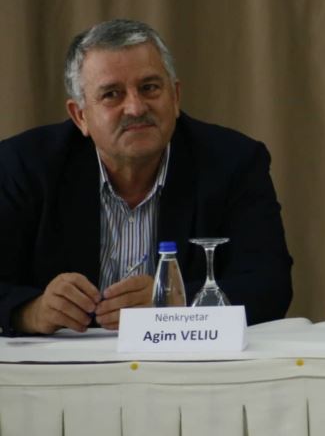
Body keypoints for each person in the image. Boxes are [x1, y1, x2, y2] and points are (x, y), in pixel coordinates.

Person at [0, 19, 292, 334]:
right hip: (66, 360)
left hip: (185, 359)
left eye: (149, 88)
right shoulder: (23, 165)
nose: (136, 108)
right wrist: (31, 312)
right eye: (112, 94)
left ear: (175, 97)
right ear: (80, 116)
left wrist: (173, 301)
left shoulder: (233, 162)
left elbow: (270, 284)